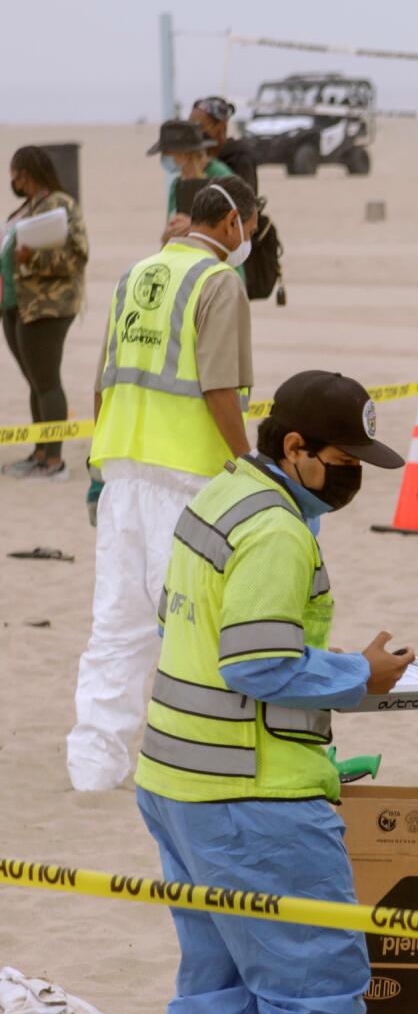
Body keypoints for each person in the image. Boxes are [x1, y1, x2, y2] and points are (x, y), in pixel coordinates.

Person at [136, 370, 418, 1014]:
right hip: (249, 795)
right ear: (295, 449)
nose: (355, 478)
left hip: (177, 777)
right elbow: (257, 662)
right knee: (315, 970)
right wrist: (361, 675)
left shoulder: (222, 495)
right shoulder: (276, 530)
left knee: (218, 970)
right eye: (345, 459)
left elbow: (181, 624)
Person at [68, 178, 259, 792]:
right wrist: (248, 466)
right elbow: (218, 387)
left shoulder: (136, 275)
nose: (249, 240)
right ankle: (191, 759)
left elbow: (103, 380)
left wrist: (103, 467)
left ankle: (93, 766)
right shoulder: (219, 282)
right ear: (232, 224)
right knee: (187, 624)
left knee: (117, 625)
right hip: (188, 480)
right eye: (251, 228)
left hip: (124, 469)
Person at [3, 145, 89, 479]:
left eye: (17, 174)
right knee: (36, 383)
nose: (13, 180)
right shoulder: (29, 207)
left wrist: (31, 259)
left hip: (47, 307)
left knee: (48, 383)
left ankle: (54, 462)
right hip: (19, 307)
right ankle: (39, 452)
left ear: (29, 173)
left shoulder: (61, 206)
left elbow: (77, 256)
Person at [152, 119, 235, 245]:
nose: (164, 157)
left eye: (167, 153)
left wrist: (195, 226)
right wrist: (167, 237)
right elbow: (170, 224)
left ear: (184, 154)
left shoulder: (221, 176)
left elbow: (237, 223)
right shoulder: (177, 185)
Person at [191, 96, 259, 195]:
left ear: (221, 126)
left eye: (199, 126)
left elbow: (245, 203)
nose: (194, 132)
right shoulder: (198, 157)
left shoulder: (240, 158)